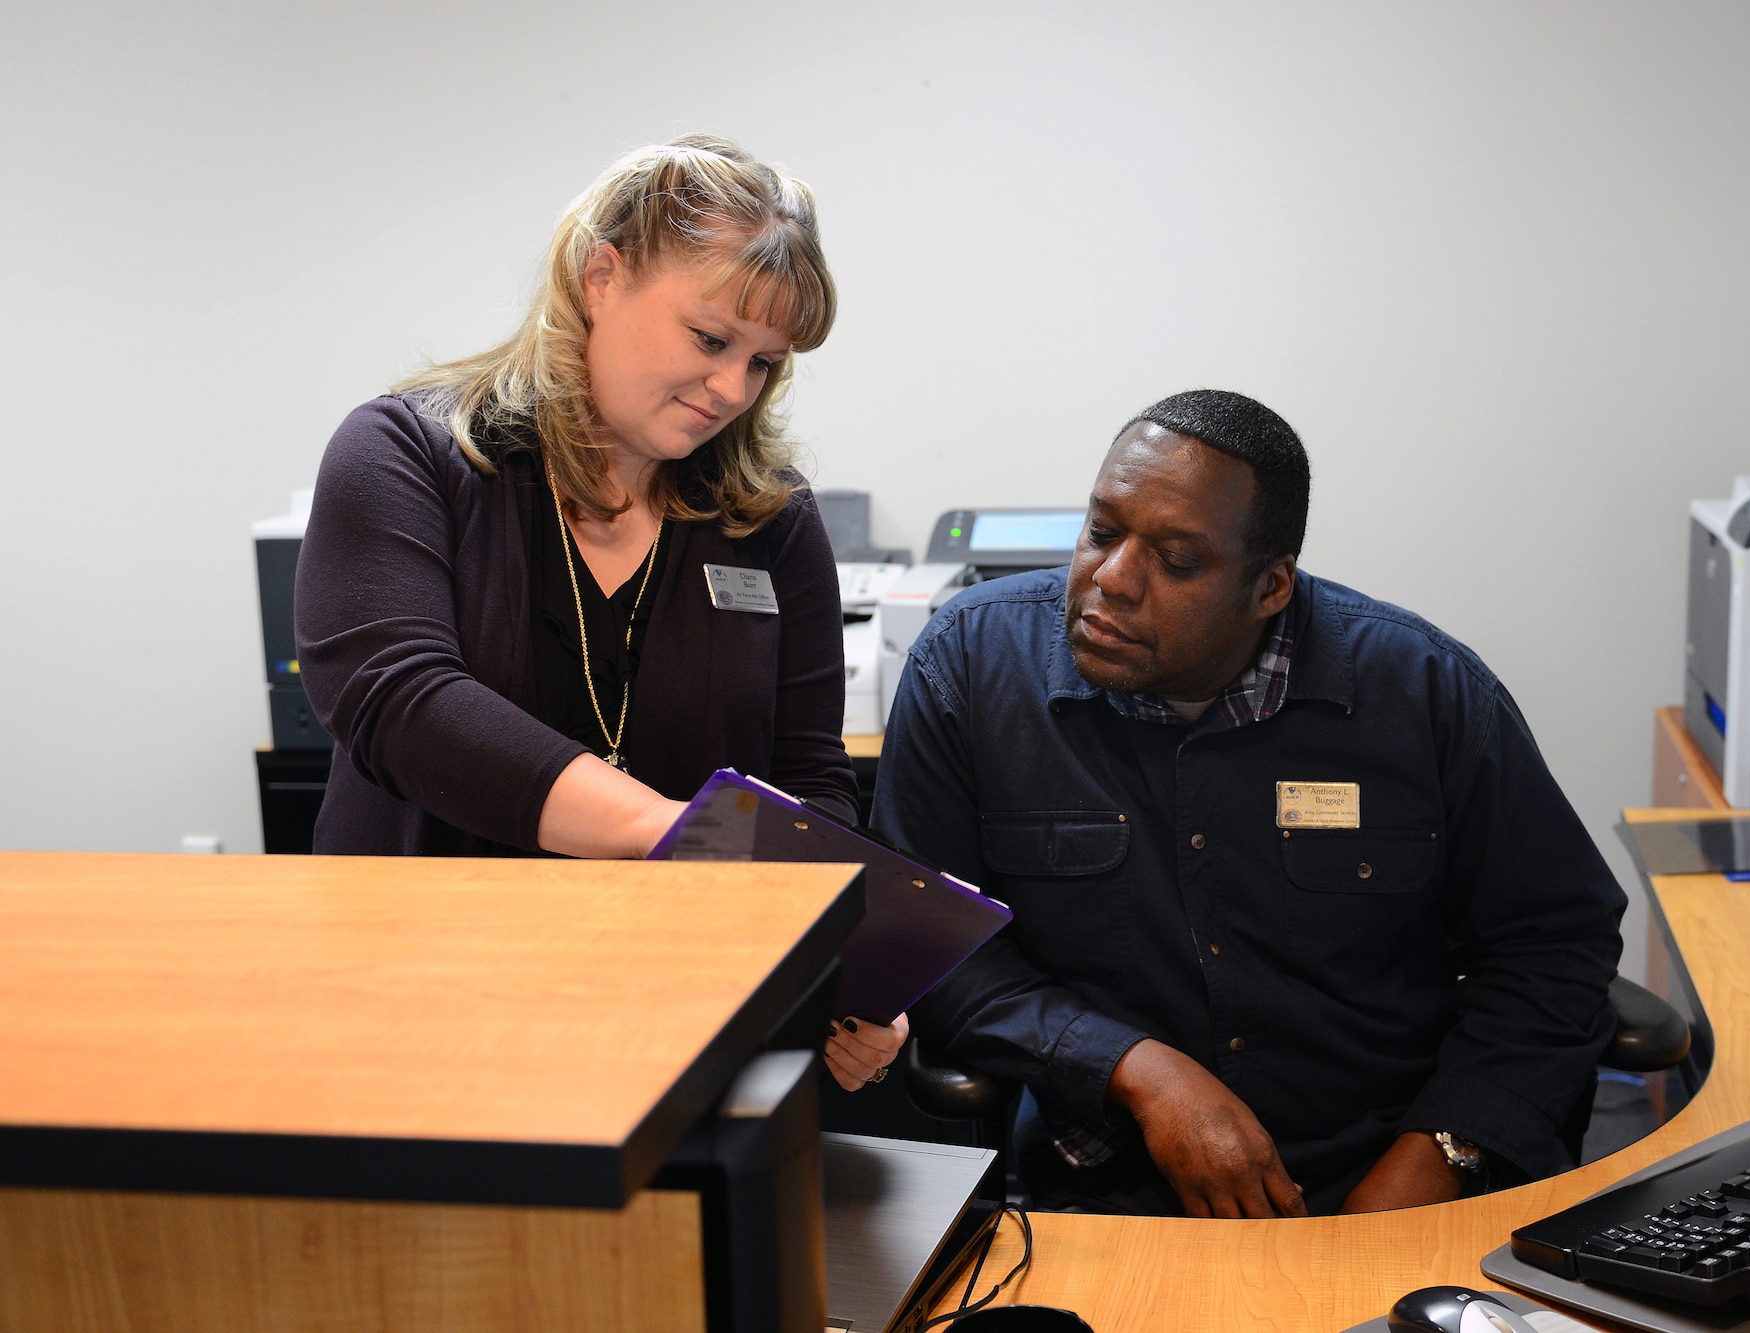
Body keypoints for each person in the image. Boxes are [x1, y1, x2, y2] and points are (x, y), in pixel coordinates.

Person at [871, 389, 1626, 1214]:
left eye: (1177, 559)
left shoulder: (1423, 691)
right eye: (1101, 530)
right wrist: (1138, 1070)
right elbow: (934, 947)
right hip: (1114, 1185)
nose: (1112, 581)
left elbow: (1553, 943)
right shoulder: (972, 668)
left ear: (1269, 588)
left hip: (1388, 1173)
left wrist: (1443, 1150)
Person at [296, 135, 903, 1090]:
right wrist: (665, 831)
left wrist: (847, 968)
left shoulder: (770, 520)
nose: (731, 390)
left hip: (682, 1034)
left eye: (763, 363)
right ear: (600, 277)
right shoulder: (405, 455)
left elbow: (810, 783)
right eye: (711, 339)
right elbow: (400, 700)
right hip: (426, 1017)